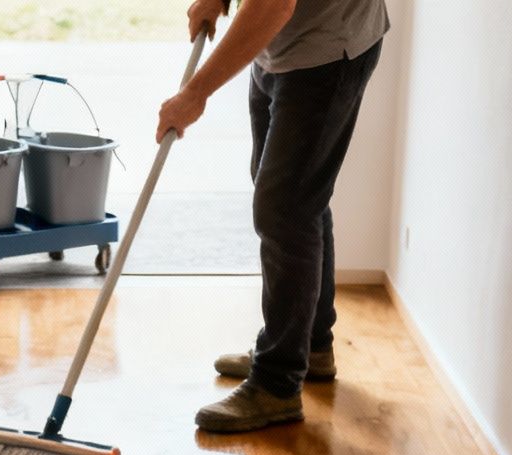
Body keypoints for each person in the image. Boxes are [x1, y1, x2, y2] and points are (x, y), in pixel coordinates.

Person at [157, 0, 388, 433]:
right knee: (297, 201)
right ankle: (311, 345)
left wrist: (195, 93)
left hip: (325, 51)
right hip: (279, 49)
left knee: (286, 209)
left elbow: (273, 5)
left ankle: (277, 381)